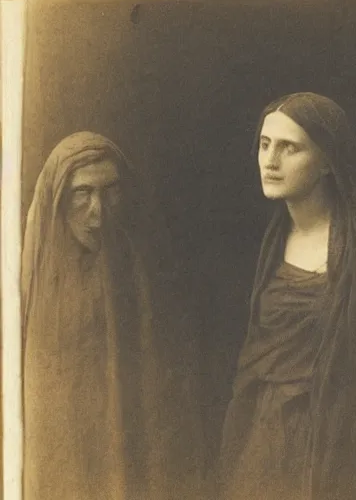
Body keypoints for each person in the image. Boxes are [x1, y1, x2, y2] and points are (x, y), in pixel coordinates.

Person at [217, 92, 356, 500]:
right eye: (265, 144)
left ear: (326, 163)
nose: (270, 160)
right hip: (263, 433)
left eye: (290, 148)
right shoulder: (273, 240)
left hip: (331, 436)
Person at [21, 131, 205, 499]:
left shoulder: (147, 276)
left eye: (110, 192)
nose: (98, 212)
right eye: (82, 193)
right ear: (56, 199)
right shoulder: (28, 282)